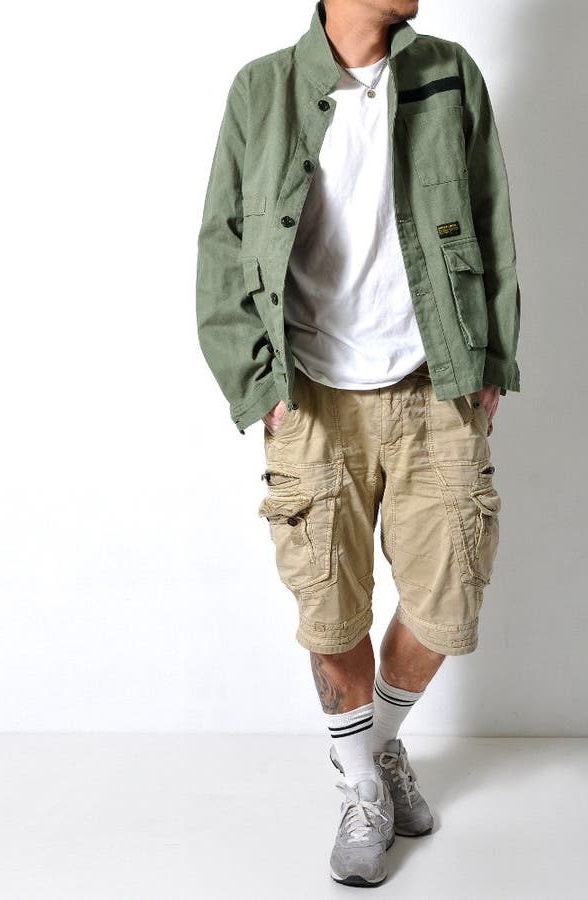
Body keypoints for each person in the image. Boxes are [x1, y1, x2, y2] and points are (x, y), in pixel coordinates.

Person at [196, 0, 522, 887]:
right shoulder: (262, 90)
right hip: (310, 395)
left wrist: (491, 359)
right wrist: (257, 387)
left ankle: (369, 749)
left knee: (449, 597)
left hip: (435, 382)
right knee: (330, 609)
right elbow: (222, 245)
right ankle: (364, 788)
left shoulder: (448, 74)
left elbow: (491, 216)